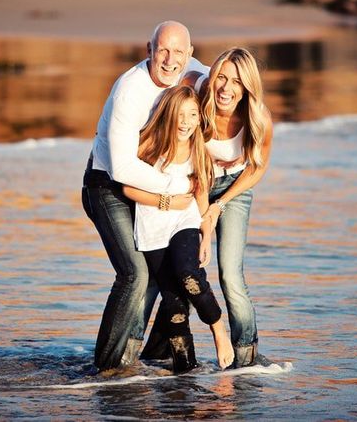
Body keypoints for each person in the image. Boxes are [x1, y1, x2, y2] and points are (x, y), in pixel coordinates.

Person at [81, 21, 208, 372]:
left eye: (178, 53)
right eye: (162, 51)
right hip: (105, 187)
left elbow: (224, 82)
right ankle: (107, 368)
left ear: (189, 54)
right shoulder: (130, 90)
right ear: (149, 50)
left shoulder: (189, 69)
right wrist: (181, 189)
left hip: (153, 186)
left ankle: (148, 356)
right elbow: (122, 170)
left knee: (165, 270)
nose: (170, 60)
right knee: (134, 274)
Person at [122, 85, 234, 372]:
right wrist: (165, 202)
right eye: (180, 115)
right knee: (173, 306)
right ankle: (186, 370)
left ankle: (218, 328)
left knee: (189, 275)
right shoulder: (150, 145)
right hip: (152, 227)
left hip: (185, 222)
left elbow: (202, 201)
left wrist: (206, 237)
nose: (185, 122)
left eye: (192, 115)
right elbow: (127, 187)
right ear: (169, 115)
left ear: (199, 118)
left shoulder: (199, 151)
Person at [197, 47, 274, 367]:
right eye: (222, 78)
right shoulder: (198, 102)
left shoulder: (259, 118)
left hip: (235, 189)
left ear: (247, 88)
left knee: (230, 275)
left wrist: (221, 205)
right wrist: (205, 216)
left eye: (237, 83)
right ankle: (170, 351)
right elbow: (195, 170)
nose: (226, 89)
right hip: (194, 185)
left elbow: (257, 168)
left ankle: (247, 357)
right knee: (188, 269)